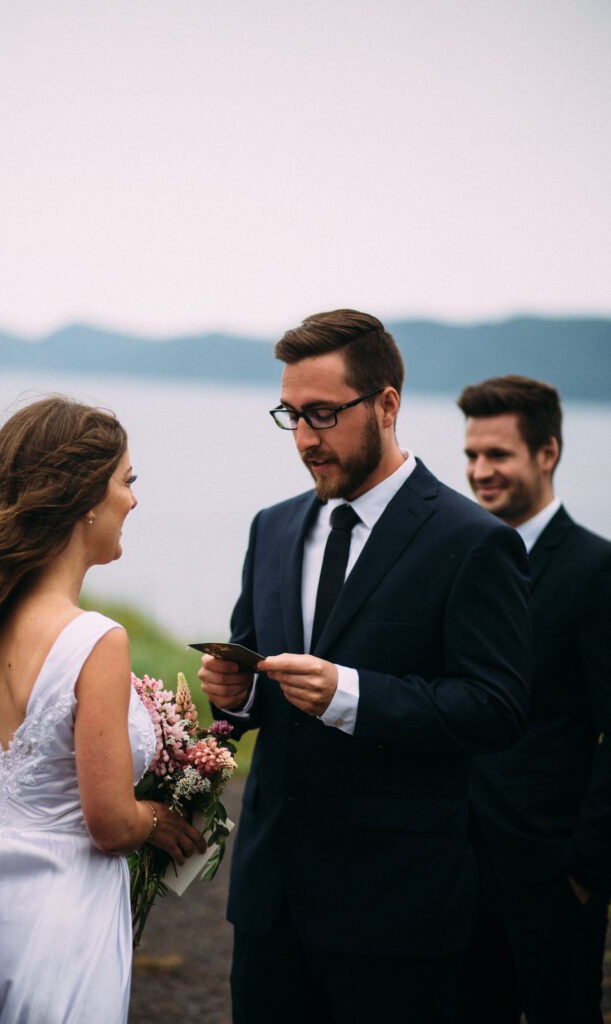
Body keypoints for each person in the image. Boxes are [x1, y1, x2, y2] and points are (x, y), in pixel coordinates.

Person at [198, 310, 531, 1024]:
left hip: (396, 914)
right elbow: (251, 670)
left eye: (322, 414)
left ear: (386, 404)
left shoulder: (473, 542)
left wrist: (349, 695)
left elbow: (497, 708)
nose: (306, 439)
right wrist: (236, 698)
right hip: (270, 902)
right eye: (290, 416)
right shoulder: (273, 526)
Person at [0, 396, 205, 1023]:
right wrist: (159, 818)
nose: (132, 500)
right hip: (53, 916)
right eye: (125, 481)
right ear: (86, 497)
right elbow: (109, 823)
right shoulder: (94, 640)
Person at [457, 375, 611, 1024]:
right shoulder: (458, 556)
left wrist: (584, 867)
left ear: (546, 453)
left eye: (498, 455)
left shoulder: (594, 569)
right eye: (470, 456)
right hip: (457, 870)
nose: (479, 472)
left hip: (552, 877)